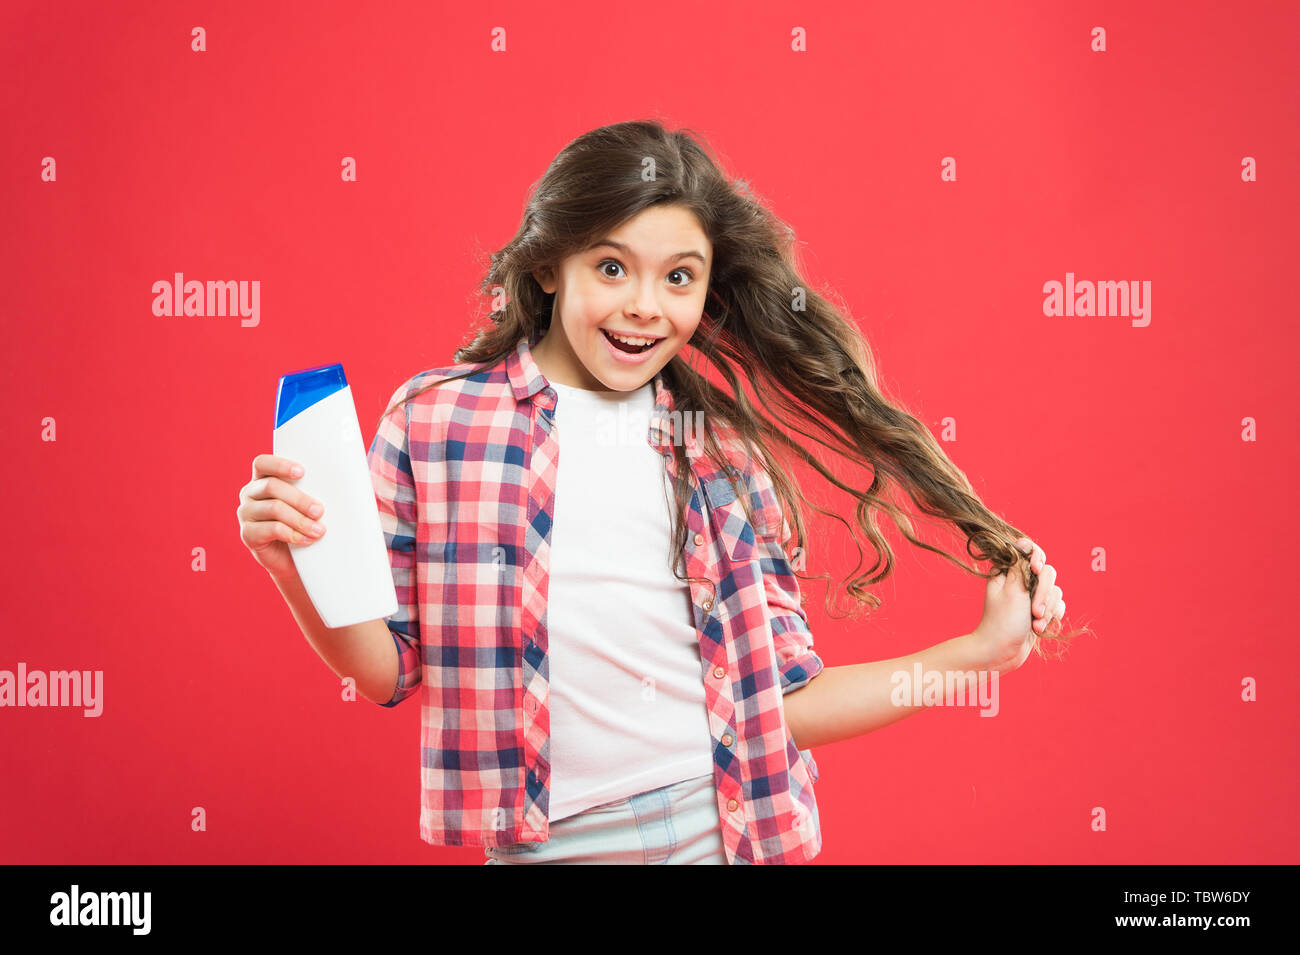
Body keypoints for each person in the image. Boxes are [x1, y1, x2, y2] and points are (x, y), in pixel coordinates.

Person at [236, 120, 1086, 865]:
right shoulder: (437, 420)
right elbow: (390, 667)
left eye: (678, 277)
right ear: (546, 268)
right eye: (612, 267)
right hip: (553, 843)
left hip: (726, 829)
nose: (645, 307)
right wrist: (294, 565)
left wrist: (974, 652)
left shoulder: (718, 452)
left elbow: (782, 705)